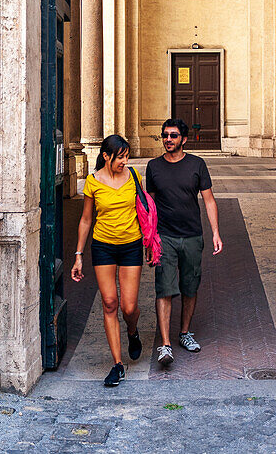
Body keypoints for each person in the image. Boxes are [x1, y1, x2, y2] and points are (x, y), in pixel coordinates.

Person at [145, 117, 223, 368]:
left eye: (173, 136)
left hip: (192, 236)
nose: (168, 139)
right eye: (165, 135)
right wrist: (149, 238)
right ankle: (165, 344)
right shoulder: (153, 166)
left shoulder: (197, 165)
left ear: (184, 139)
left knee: (190, 286)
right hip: (164, 237)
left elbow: (209, 200)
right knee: (164, 288)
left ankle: (185, 333)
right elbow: (150, 206)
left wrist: (216, 233)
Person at [71, 133, 148, 387]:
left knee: (129, 307)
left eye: (127, 157)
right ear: (106, 156)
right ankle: (117, 365)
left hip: (131, 245)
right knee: (109, 303)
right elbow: (85, 219)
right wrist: (78, 255)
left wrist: (149, 242)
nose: (125, 162)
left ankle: (132, 330)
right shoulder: (92, 182)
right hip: (103, 246)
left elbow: (145, 209)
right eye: (121, 157)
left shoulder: (134, 176)